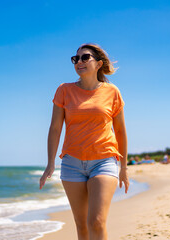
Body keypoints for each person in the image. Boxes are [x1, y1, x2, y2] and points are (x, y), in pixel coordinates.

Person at [40, 43, 129, 240]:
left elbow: (120, 131)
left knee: (96, 222)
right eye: (75, 59)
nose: (79, 62)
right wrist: (50, 163)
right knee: (82, 227)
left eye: (84, 57)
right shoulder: (64, 90)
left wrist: (123, 167)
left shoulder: (112, 92)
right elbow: (55, 128)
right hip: (72, 164)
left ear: (98, 64)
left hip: (104, 161)